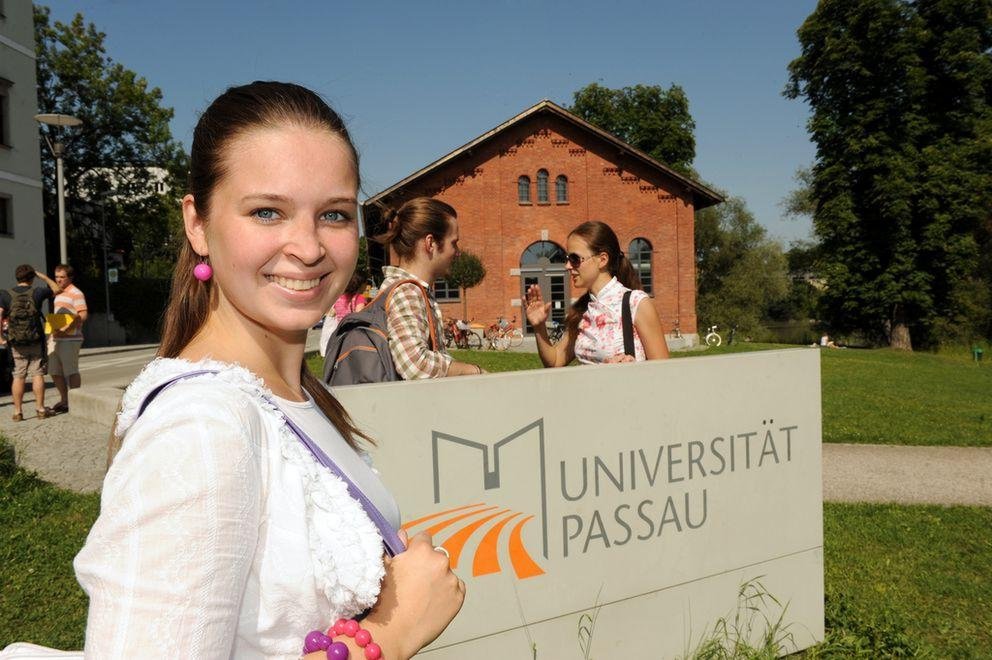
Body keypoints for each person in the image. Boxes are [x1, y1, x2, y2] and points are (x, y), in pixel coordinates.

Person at [65, 82, 464, 659]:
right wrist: (389, 635)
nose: (307, 247)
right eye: (267, 212)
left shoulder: (288, 393)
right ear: (197, 223)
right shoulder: (200, 430)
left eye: (333, 214)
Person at [525, 220, 670, 366]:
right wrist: (539, 327)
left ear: (602, 260)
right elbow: (556, 361)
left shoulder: (636, 304)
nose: (567, 266)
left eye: (575, 259)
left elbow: (663, 373)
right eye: (567, 259)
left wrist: (631, 368)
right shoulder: (581, 310)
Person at [373, 197, 484, 378]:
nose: (458, 252)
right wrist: (475, 371)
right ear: (430, 243)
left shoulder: (407, 288)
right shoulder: (407, 291)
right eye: (453, 243)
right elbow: (415, 364)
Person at [0, 264, 60, 421]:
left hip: (16, 342)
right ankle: (40, 409)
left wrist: (0, 337)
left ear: (17, 277)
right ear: (32, 278)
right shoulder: (38, 292)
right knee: (37, 374)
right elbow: (57, 289)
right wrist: (43, 276)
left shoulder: (5, 294)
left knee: (18, 375)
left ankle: (17, 412)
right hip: (35, 340)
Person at [48, 264, 88, 413]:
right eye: (56, 277)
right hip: (56, 336)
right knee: (54, 370)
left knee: (71, 371)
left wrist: (68, 327)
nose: (58, 280)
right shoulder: (58, 293)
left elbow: (83, 314)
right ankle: (65, 400)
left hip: (71, 338)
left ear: (70, 278)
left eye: (62, 277)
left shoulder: (76, 293)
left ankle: (76, 400)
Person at [319, 271, 368, 357]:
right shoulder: (359, 298)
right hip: (353, 335)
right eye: (366, 283)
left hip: (341, 333)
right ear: (362, 284)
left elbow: (332, 313)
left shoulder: (339, 298)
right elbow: (360, 316)